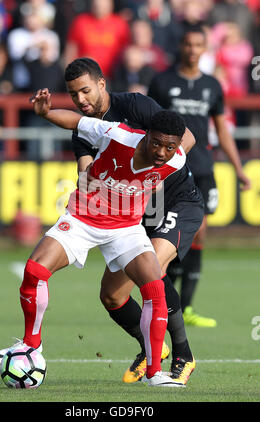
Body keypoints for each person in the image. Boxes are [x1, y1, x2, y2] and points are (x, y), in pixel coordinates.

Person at [0, 89, 188, 388]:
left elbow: (177, 166)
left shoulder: (175, 161)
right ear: (145, 134)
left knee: (154, 289)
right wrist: (46, 113)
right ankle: (31, 345)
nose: (162, 152)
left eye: (170, 147)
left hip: (126, 228)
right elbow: (76, 122)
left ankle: (154, 374)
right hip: (83, 218)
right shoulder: (118, 134)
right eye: (157, 143)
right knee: (34, 271)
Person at [64, 57, 204, 385]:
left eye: (85, 91)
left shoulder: (136, 105)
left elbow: (187, 138)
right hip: (135, 211)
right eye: (73, 95)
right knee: (112, 295)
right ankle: (151, 348)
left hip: (177, 201)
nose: (80, 100)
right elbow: (86, 173)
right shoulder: (85, 130)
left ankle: (184, 353)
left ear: (101, 84)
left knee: (151, 267)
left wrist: (153, 175)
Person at [148, 27, 251, 327]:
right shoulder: (162, 81)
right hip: (169, 170)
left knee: (198, 233)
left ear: (205, 48)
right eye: (188, 44)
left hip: (203, 169)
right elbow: (149, 124)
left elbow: (221, 129)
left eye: (198, 45)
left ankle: (188, 306)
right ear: (180, 46)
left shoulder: (212, 86)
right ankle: (166, 300)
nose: (192, 50)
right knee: (166, 237)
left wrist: (239, 168)